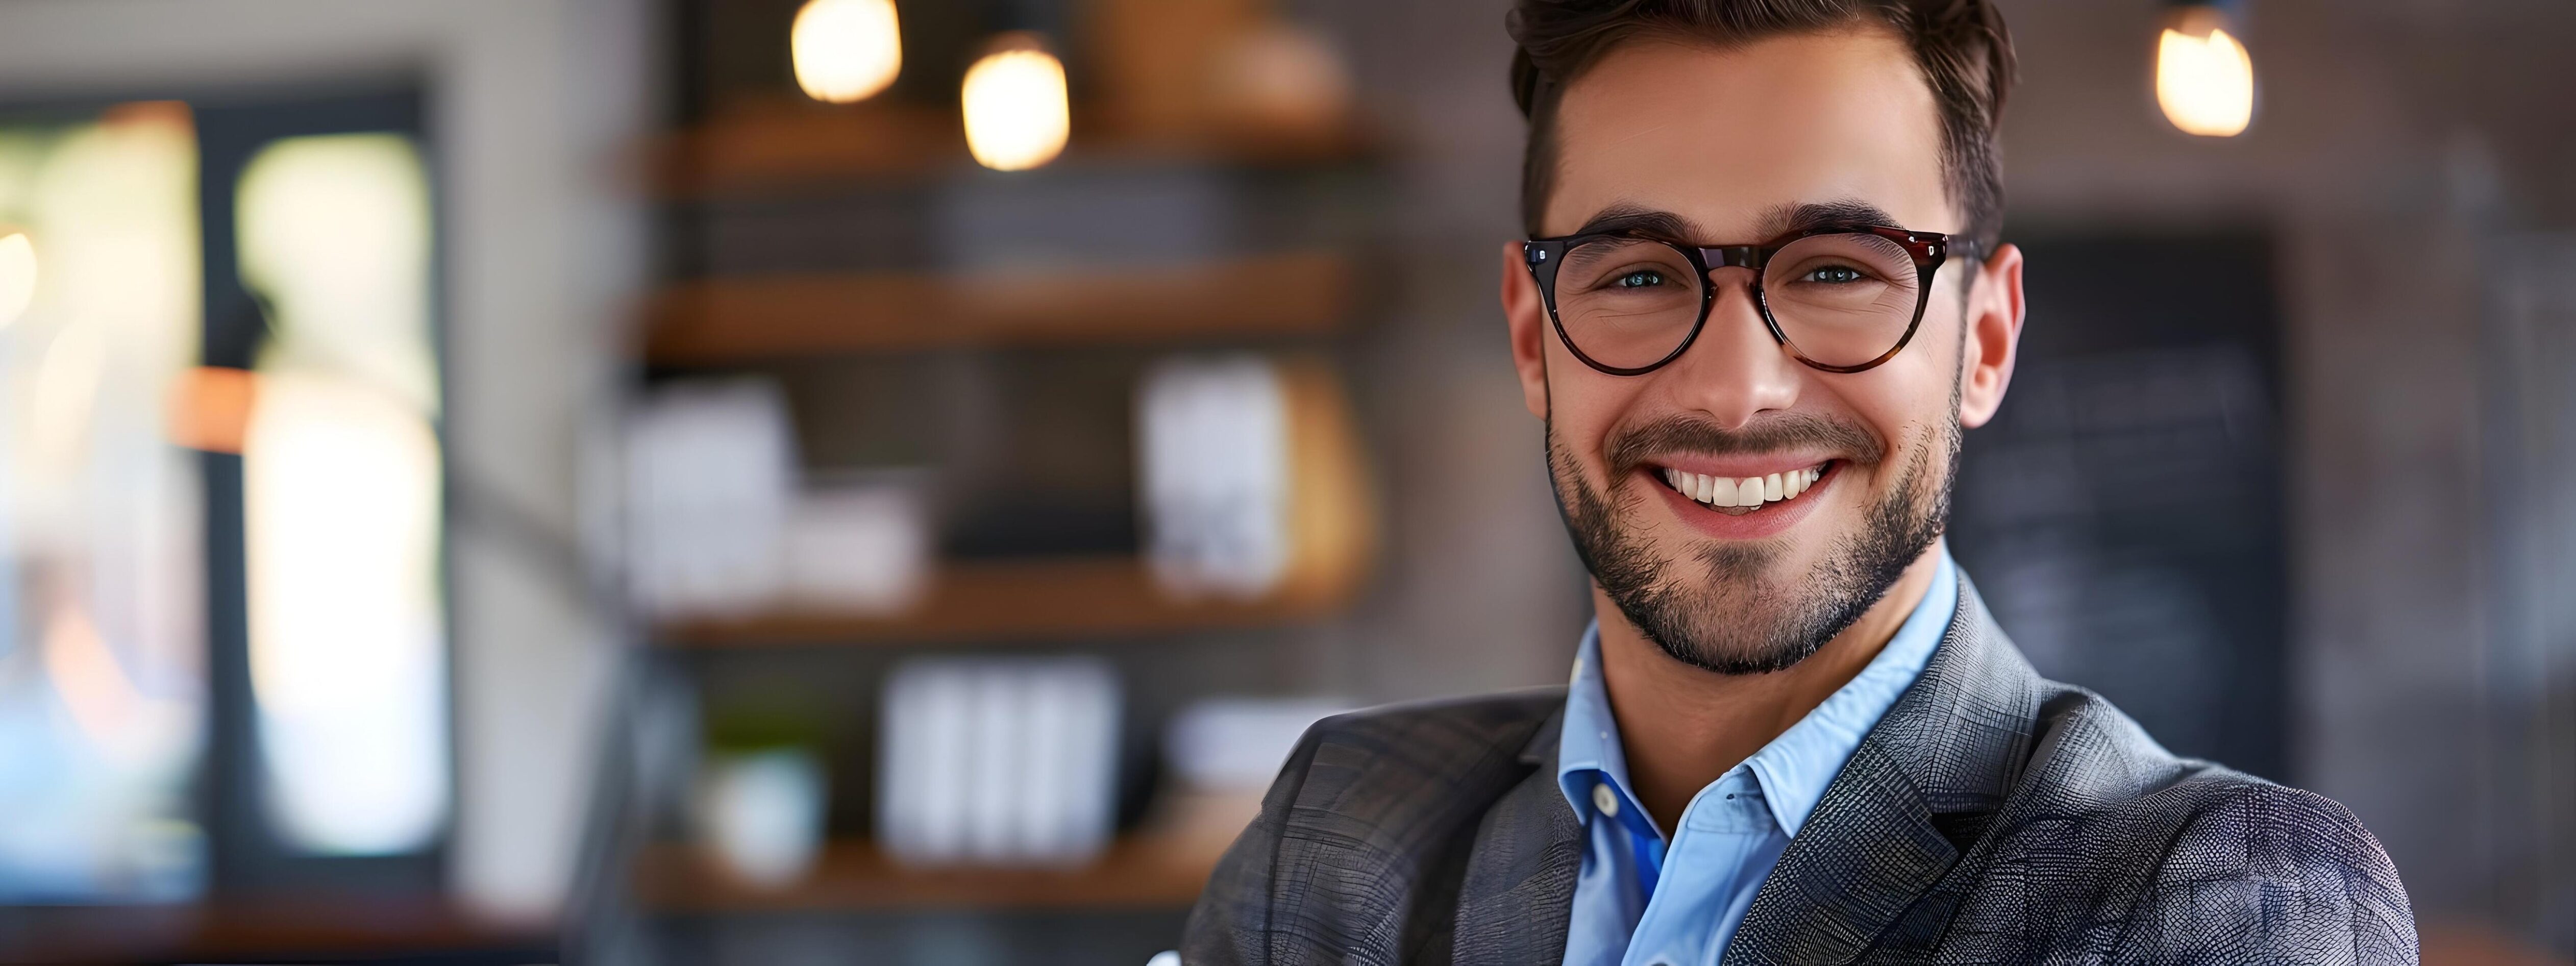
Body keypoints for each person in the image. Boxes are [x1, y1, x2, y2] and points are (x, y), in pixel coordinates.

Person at [1179, 1, 2418, 962]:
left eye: (1836, 269)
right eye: (1637, 273)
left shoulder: (2224, 901)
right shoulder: (1333, 838)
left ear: (1983, 340)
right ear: (1529, 337)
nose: (1735, 390)